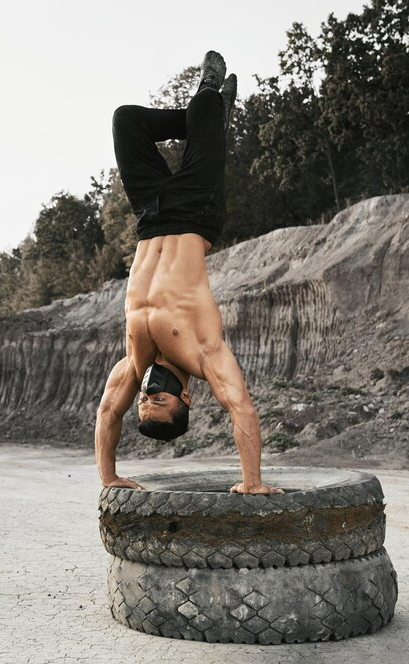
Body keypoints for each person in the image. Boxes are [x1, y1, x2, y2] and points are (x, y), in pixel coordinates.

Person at [94, 51, 282, 495]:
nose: (145, 394)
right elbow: (241, 408)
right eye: (157, 399)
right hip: (197, 211)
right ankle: (211, 116)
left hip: (149, 216)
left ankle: (213, 123)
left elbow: (106, 414)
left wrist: (109, 477)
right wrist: (251, 482)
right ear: (185, 398)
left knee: (127, 121)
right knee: (204, 103)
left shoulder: (132, 361)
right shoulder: (204, 355)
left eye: (143, 401)